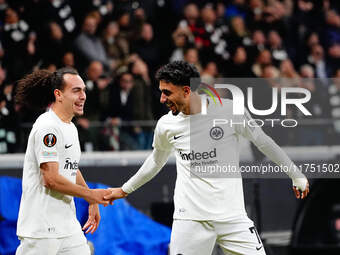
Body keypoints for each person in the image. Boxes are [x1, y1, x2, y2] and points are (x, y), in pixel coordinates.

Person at [104, 61, 310, 255]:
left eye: (167, 93)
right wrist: (124, 190)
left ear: (187, 90)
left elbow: (263, 142)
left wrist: (296, 174)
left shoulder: (229, 110)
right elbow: (156, 161)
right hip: (190, 220)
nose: (162, 99)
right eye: (161, 93)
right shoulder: (166, 125)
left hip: (232, 218)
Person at [15, 67, 110, 255]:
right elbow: (50, 179)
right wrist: (90, 195)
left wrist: (91, 199)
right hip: (42, 230)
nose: (83, 96)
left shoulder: (70, 127)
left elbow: (71, 167)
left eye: (83, 90)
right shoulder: (48, 127)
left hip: (68, 227)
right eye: (76, 90)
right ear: (58, 94)